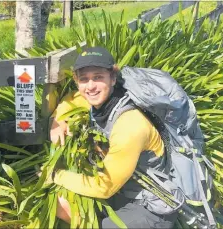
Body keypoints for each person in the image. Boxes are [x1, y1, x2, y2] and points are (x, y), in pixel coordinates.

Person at [49, 47, 178, 228]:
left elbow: (104, 186)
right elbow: (73, 100)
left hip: (151, 206)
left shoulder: (130, 125)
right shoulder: (100, 98)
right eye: (84, 79)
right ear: (76, 81)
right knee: (62, 204)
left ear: (113, 78)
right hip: (122, 192)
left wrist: (56, 175)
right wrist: (59, 120)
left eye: (98, 77)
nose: (91, 85)